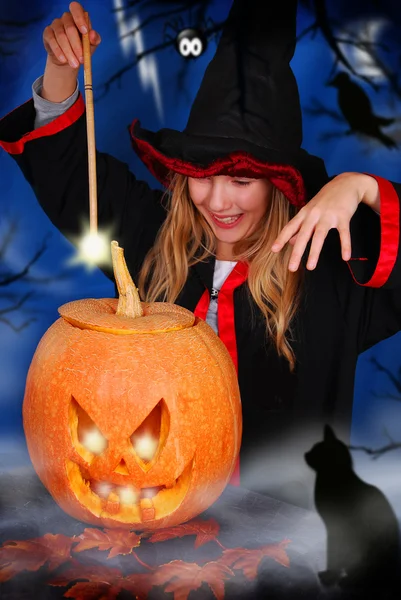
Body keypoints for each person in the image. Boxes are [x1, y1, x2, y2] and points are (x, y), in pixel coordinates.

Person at [1, 0, 400, 509]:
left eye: (241, 179)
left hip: (284, 551)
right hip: (154, 527)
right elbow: (70, 178)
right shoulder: (154, 239)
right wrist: (61, 68)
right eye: (201, 178)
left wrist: (360, 187)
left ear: (279, 184)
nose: (217, 201)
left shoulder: (333, 268)